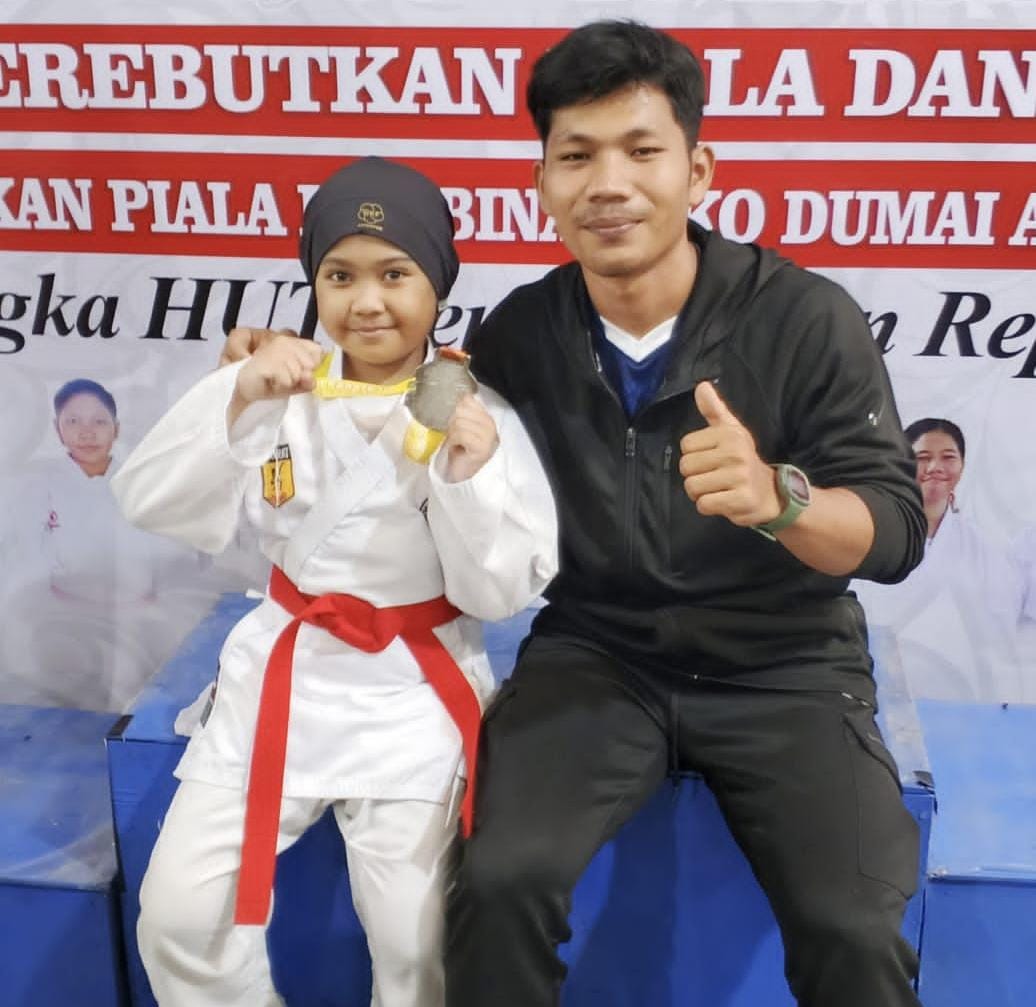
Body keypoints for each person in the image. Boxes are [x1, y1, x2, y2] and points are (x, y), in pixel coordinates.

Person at [224, 22, 927, 1007]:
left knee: (852, 926)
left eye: (641, 150)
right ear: (542, 183)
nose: (609, 184)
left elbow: (894, 530)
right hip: (597, 654)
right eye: (577, 156)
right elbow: (397, 413)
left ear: (698, 171)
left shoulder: (805, 318)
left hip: (785, 662)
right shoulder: (523, 332)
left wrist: (781, 499)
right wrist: (283, 374)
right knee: (499, 883)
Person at [110, 156, 558, 1007]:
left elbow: (499, 593)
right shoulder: (280, 387)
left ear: (437, 284)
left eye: (395, 273)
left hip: (411, 692)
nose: (367, 301)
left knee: (417, 943)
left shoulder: (477, 413)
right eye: (339, 275)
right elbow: (150, 500)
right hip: (286, 676)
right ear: (313, 283)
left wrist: (468, 475)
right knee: (178, 915)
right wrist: (234, 395)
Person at [0, 379, 209, 711]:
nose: (87, 432)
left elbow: (175, 547)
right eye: (73, 421)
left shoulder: (139, 479)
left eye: (99, 421)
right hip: (64, 621)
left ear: (116, 428)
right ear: (57, 429)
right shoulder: (40, 486)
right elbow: (25, 554)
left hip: (139, 620)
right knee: (68, 710)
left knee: (135, 705)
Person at [854, 418, 1027, 703]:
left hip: (961, 698)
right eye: (923, 457)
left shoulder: (987, 550)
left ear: (962, 465)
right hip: (878, 693)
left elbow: (998, 629)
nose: (935, 467)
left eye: (948, 457)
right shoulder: (872, 534)